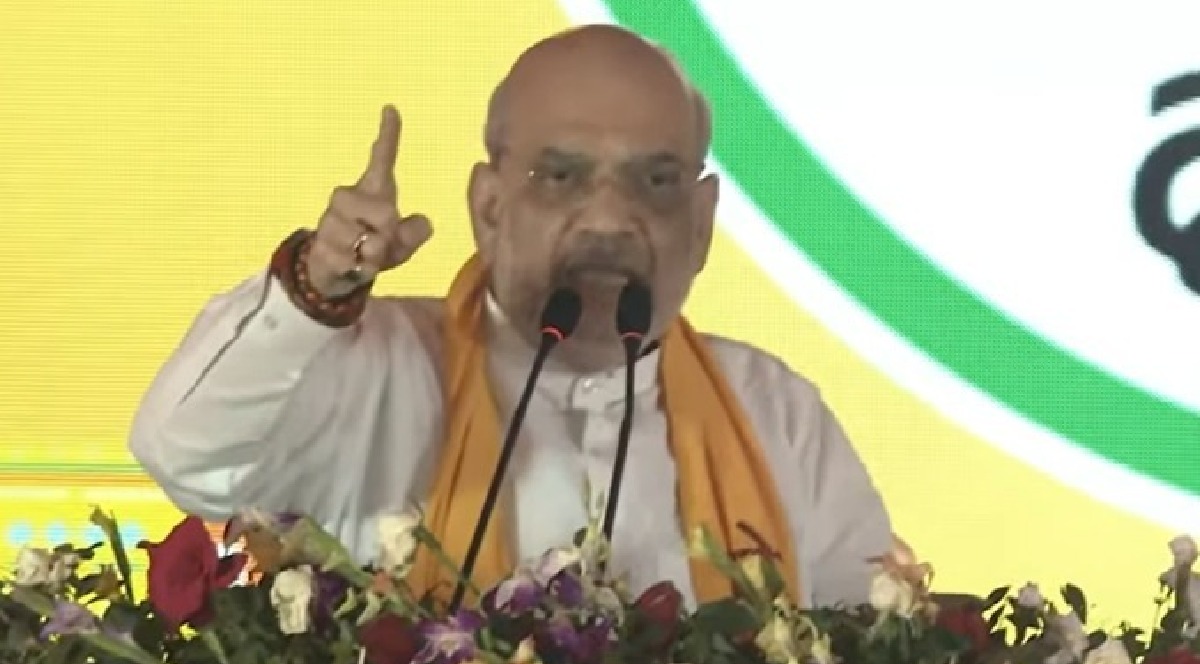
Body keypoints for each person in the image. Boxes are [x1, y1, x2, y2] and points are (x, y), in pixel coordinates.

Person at [129, 24, 893, 609]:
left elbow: (876, 637)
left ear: (700, 224)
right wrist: (316, 286)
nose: (608, 218)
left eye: (655, 181)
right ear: (489, 208)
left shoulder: (776, 413)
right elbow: (185, 453)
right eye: (561, 175)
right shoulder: (374, 366)